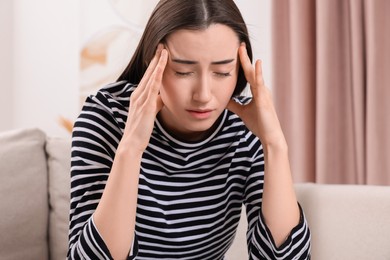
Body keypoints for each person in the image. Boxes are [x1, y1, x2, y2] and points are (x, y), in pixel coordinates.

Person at [67, 0, 311, 259]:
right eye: (183, 72)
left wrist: (274, 144)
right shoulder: (106, 116)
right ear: (152, 62)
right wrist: (130, 148)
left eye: (222, 72)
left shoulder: (243, 128)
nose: (204, 95)